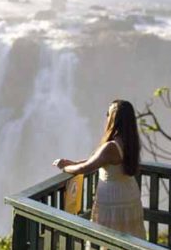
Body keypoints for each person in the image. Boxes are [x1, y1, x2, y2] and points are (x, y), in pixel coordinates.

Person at [52, 99, 145, 239]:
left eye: (108, 113)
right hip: (129, 194)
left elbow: (86, 167)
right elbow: (98, 160)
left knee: (108, 241)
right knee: (129, 239)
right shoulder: (130, 142)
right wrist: (74, 162)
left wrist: (65, 168)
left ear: (114, 118)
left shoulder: (112, 147)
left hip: (113, 199)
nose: (106, 116)